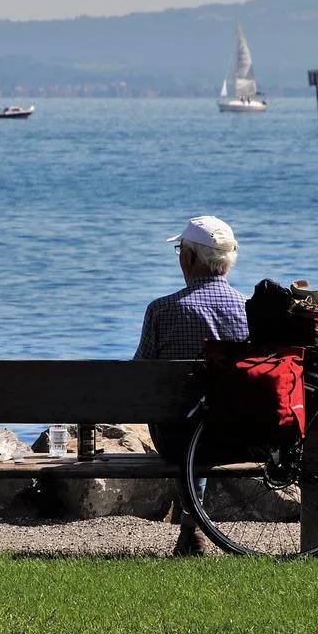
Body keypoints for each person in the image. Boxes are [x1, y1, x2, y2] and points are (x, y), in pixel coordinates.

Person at [135, 215, 248, 555]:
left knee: (186, 420)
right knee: (210, 413)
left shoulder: (163, 310)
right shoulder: (248, 309)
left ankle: (193, 526)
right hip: (239, 435)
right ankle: (191, 526)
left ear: (189, 258)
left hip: (176, 439)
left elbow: (137, 376)